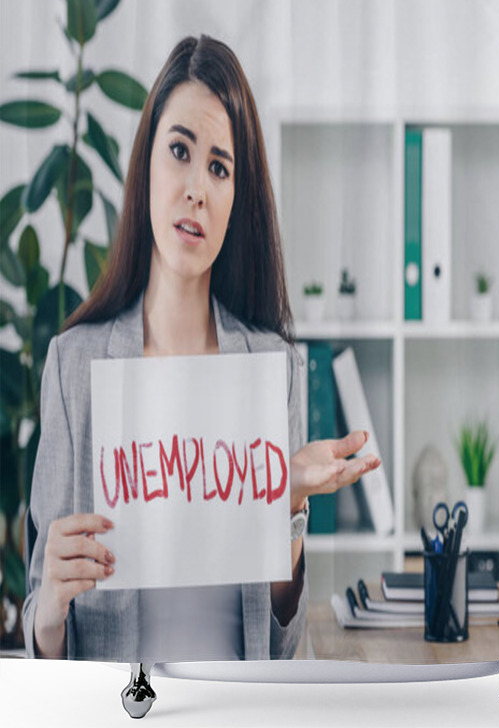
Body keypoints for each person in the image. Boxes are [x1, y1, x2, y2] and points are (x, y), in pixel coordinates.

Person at [22, 35, 380, 663]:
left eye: (219, 167)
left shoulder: (274, 372)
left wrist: (287, 506)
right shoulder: (74, 368)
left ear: (236, 198)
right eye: (180, 152)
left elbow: (282, 642)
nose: (196, 188)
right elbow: (44, 642)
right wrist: (51, 598)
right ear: (147, 166)